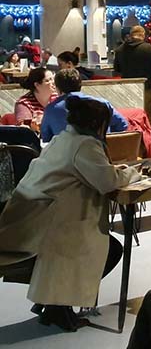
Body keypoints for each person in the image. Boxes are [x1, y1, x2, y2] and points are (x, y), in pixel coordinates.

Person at [0, 96, 140, 331]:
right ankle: (58, 305)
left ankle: (54, 303)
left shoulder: (62, 139)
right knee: (111, 249)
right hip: (44, 226)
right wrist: (131, 173)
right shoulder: (85, 145)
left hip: (25, 218)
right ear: (98, 123)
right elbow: (107, 182)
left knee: (100, 245)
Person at [41, 68, 128, 143]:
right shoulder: (102, 104)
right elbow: (122, 125)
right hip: (100, 156)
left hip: (68, 159)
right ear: (80, 85)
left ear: (58, 88)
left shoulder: (51, 109)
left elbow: (46, 138)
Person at [113, 25, 151, 123]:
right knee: (147, 118)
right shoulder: (147, 48)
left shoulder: (120, 49)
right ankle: (145, 138)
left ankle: (132, 137)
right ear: (143, 35)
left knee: (130, 117)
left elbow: (117, 69)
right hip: (146, 88)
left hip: (128, 88)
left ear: (131, 35)